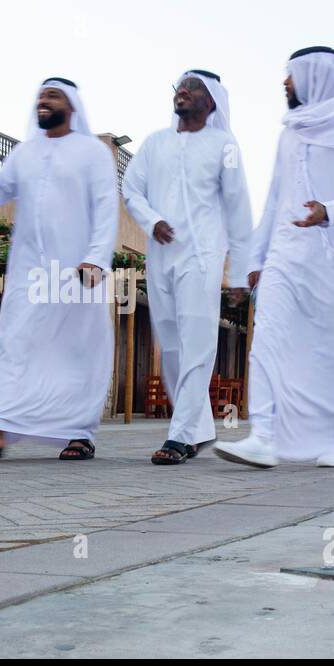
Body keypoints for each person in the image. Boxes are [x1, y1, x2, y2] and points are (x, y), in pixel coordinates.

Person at [215, 47, 334, 469]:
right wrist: (255, 258)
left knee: (330, 351)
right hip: (286, 256)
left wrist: (330, 211)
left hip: (333, 258)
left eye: (291, 75)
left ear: (315, 77)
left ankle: (333, 438)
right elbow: (274, 199)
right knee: (268, 339)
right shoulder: (290, 131)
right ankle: (264, 436)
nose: (285, 83)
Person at [0, 78, 118, 461]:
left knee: (73, 351)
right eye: (41, 95)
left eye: (53, 95)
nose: (44, 101)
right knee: (14, 341)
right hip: (29, 270)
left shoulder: (92, 152)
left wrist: (96, 257)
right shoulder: (25, 152)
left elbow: (107, 207)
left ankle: (78, 432)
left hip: (75, 269)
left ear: (72, 106)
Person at [122, 70, 253, 464]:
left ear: (210, 100)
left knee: (196, 343)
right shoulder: (155, 143)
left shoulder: (223, 144)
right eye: (181, 86)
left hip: (202, 256)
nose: (184, 91)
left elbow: (238, 209)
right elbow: (131, 189)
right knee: (173, 347)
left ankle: (179, 436)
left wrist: (241, 271)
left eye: (194, 88)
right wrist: (151, 221)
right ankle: (198, 429)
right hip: (160, 255)